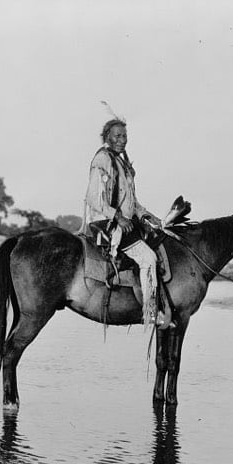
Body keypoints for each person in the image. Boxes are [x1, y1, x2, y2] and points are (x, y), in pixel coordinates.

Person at [82, 117, 169, 327]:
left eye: (125, 136)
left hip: (124, 221)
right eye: (118, 136)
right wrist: (118, 217)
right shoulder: (102, 159)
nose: (122, 140)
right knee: (148, 259)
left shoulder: (120, 162)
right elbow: (93, 198)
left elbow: (131, 202)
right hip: (107, 223)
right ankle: (150, 313)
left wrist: (148, 216)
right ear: (107, 138)